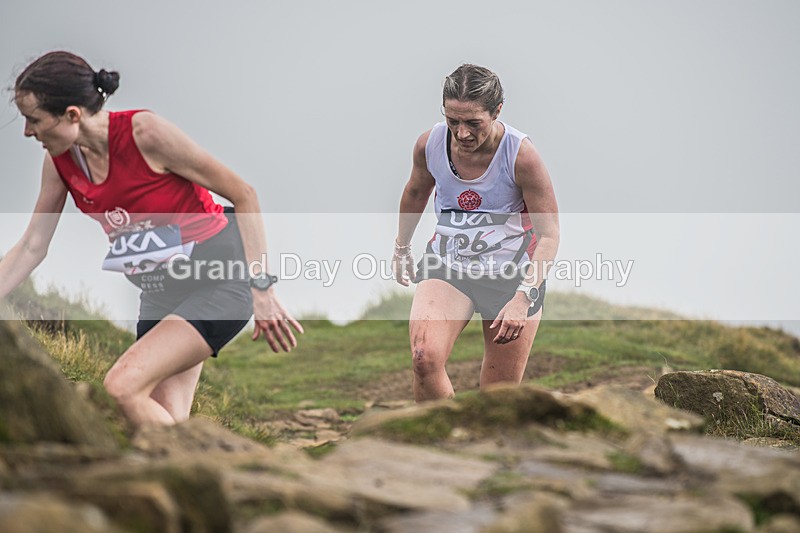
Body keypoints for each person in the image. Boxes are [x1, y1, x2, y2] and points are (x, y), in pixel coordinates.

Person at [0, 51, 303, 427]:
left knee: (122, 387)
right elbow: (32, 246)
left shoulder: (146, 134)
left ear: (72, 115)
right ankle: (208, 475)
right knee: (163, 419)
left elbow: (244, 194)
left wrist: (264, 290)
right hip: (161, 292)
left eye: (33, 120)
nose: (28, 132)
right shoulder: (61, 162)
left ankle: (218, 470)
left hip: (218, 279)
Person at [393, 64, 559, 401]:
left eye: (473, 123)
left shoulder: (521, 156)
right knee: (424, 358)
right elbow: (415, 193)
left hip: (511, 276)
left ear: (497, 111)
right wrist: (402, 247)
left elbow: (550, 235)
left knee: (496, 398)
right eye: (453, 121)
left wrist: (523, 296)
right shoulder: (431, 144)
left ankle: (484, 451)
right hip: (447, 266)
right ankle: (440, 444)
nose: (462, 133)